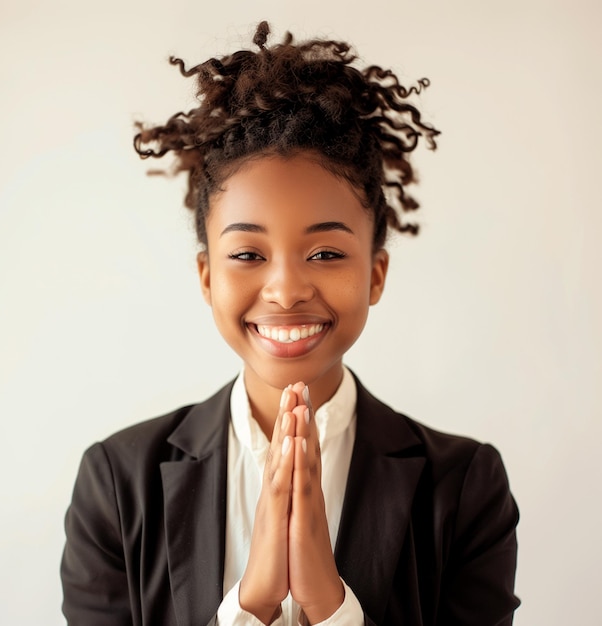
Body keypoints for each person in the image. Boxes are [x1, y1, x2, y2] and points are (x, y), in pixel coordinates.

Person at [61, 21, 519, 626]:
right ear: (206, 276)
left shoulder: (464, 487)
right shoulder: (118, 484)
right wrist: (249, 606)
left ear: (376, 273)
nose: (285, 290)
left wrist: (332, 606)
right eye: (248, 255)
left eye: (326, 254)